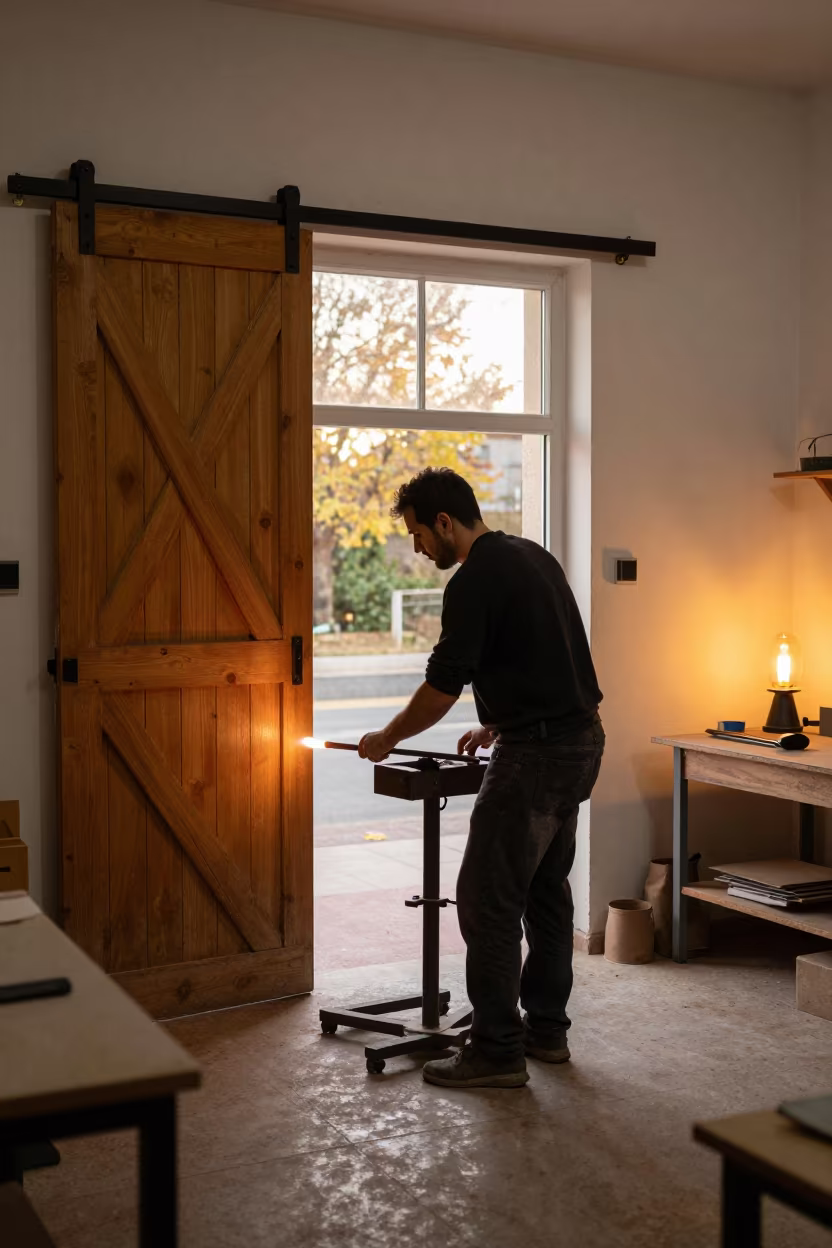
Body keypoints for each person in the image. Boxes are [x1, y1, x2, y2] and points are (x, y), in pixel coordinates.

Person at [358, 467, 604, 1089]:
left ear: (444, 522)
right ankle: (547, 1032)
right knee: (547, 892)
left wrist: (388, 738)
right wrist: (496, 724)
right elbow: (548, 654)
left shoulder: (472, 581)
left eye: (418, 534)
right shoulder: (533, 557)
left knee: (486, 900)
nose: (417, 548)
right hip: (578, 743)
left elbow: (444, 685)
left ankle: (497, 1050)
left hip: (538, 757)